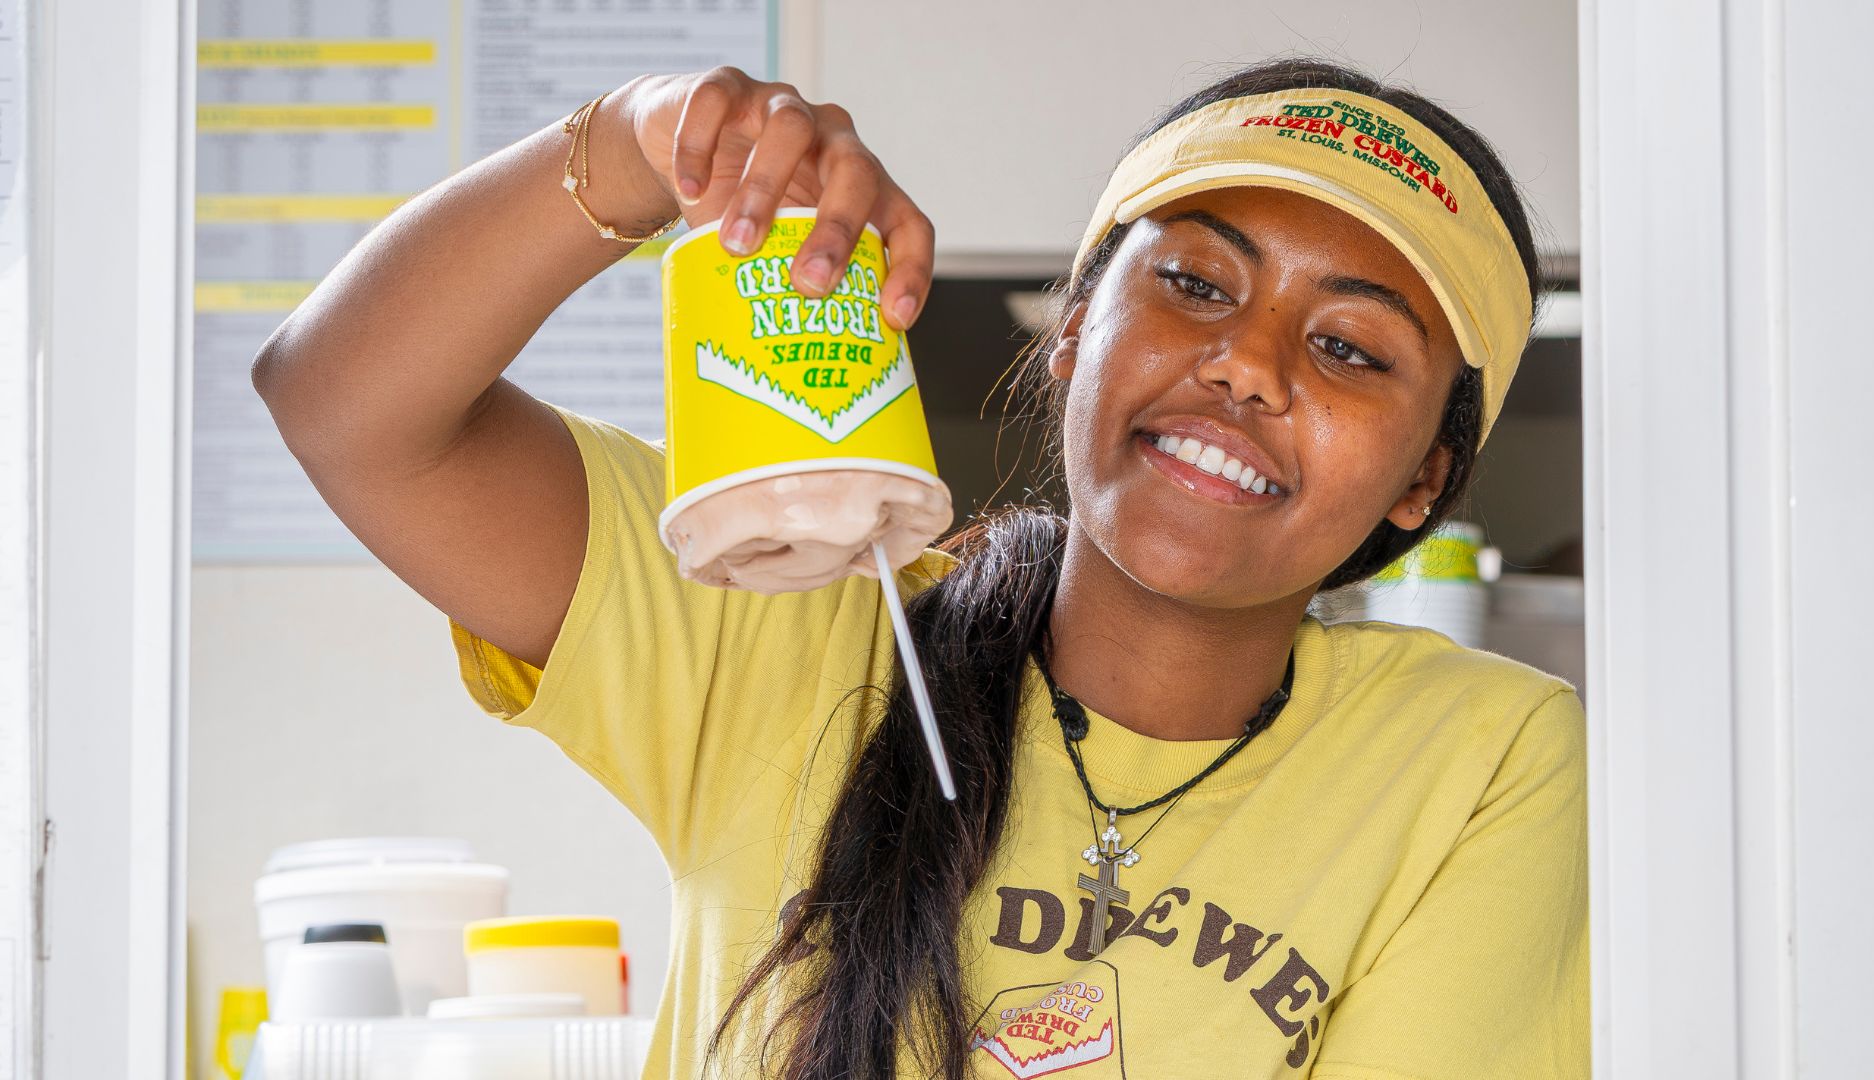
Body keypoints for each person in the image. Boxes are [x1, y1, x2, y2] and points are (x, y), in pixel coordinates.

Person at [254, 55, 1587, 1080]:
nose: (1247, 362)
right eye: (1193, 281)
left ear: (1425, 477)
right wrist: (641, 146)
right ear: (1072, 334)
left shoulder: (1489, 761)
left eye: (1352, 349)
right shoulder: (787, 610)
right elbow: (345, 407)